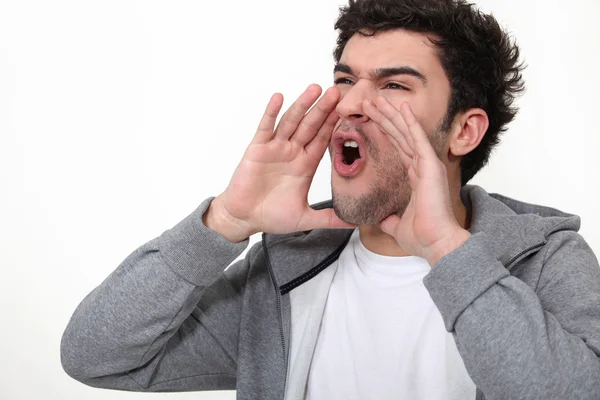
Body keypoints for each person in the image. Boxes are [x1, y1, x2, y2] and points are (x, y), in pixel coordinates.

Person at [60, 0, 600, 399]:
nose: (351, 104)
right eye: (345, 78)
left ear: (464, 131)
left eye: (393, 86)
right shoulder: (285, 268)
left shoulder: (545, 262)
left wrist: (446, 251)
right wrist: (224, 221)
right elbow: (96, 356)